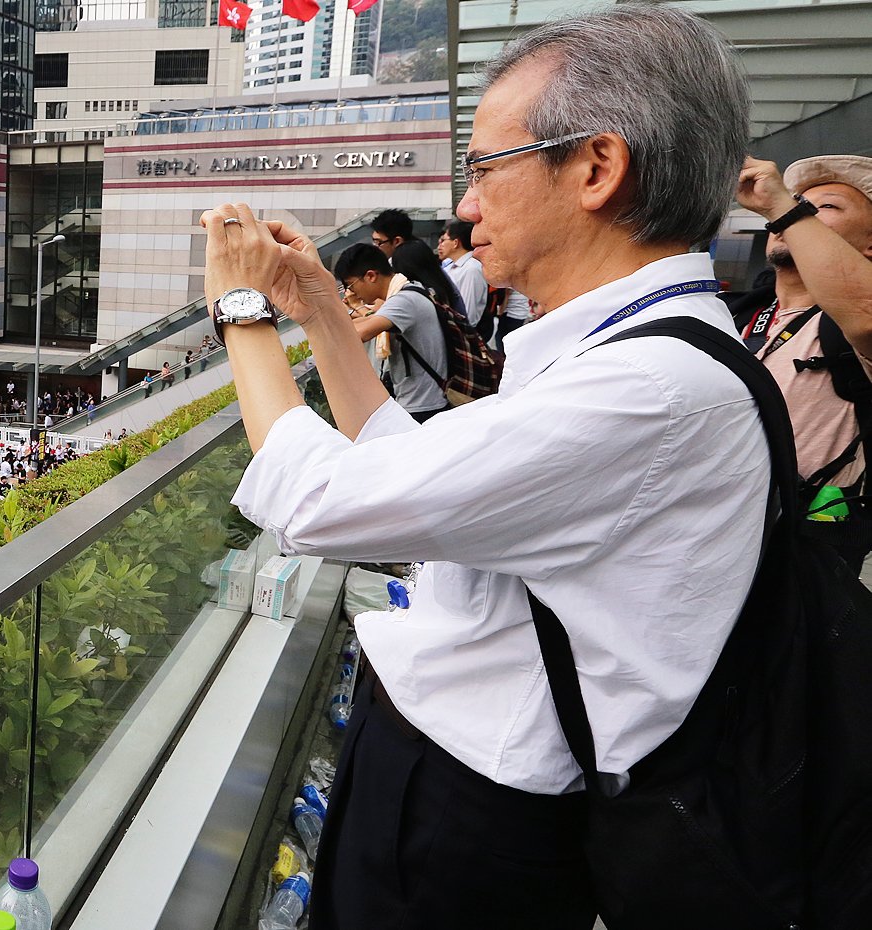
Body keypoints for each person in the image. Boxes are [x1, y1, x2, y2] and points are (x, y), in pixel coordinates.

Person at [203, 5, 763, 927]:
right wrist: (314, 309)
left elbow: (318, 497)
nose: (465, 206)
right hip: (464, 787)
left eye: (484, 168)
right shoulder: (643, 354)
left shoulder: (647, 390)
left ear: (596, 167)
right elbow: (411, 464)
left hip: (472, 818)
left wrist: (236, 304)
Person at [731, 153, 872, 568]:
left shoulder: (849, 327)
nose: (799, 210)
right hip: (705, 540)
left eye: (824, 206)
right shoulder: (732, 315)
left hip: (800, 558)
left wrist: (783, 206)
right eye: (796, 200)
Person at [334, 243, 451, 423]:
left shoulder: (405, 300)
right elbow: (370, 319)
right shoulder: (407, 290)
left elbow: (361, 332)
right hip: (422, 399)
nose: (352, 292)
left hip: (424, 404)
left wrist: (324, 316)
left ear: (371, 276)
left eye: (351, 285)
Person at [439, 219, 491, 329]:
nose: (440, 245)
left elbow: (468, 314)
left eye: (443, 240)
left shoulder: (471, 269)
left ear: (456, 243)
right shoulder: (452, 266)